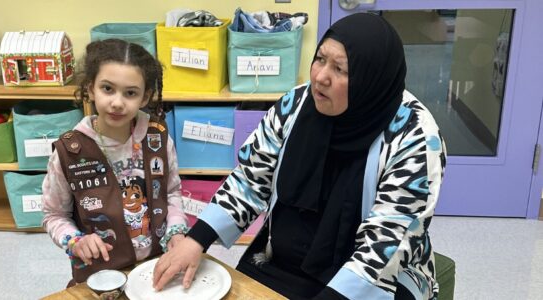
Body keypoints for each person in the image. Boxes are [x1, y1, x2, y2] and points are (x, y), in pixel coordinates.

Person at [152, 13, 446, 300]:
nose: (320, 77)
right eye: (320, 59)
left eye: (340, 69)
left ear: (370, 79)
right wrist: (196, 240)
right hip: (284, 260)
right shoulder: (296, 104)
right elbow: (250, 180)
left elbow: (388, 242)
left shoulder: (414, 136)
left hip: (376, 278)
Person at [42, 39, 189, 287]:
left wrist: (176, 230)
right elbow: (54, 214)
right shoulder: (69, 151)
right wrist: (75, 240)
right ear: (90, 88)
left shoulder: (158, 137)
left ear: (145, 97)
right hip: (100, 275)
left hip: (154, 267)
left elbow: (171, 192)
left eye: (130, 93)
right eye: (108, 89)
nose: (118, 102)